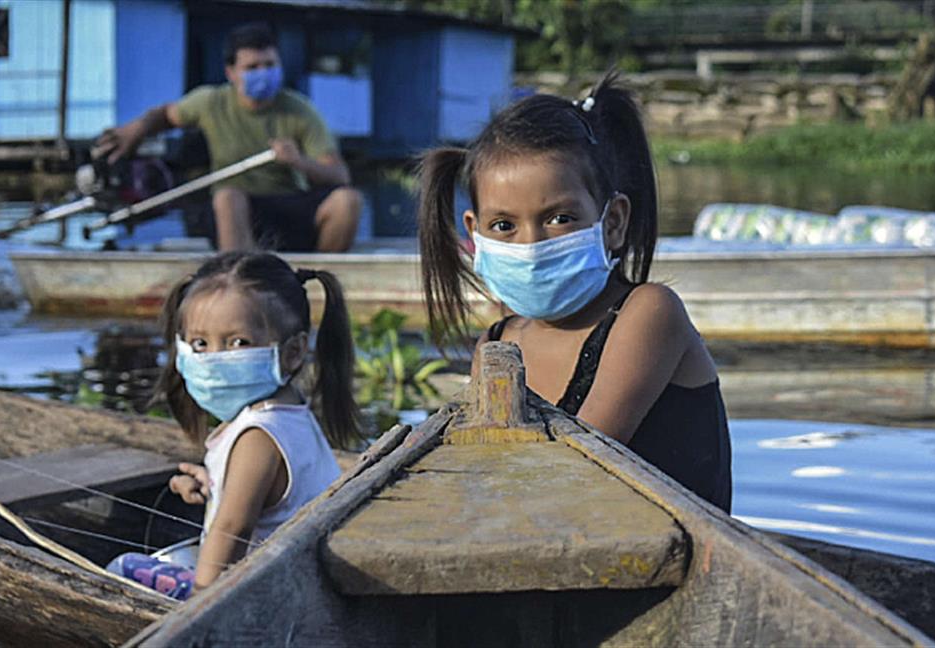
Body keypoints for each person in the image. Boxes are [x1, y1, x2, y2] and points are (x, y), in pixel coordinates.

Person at [417, 70, 732, 512]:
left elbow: (577, 470)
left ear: (613, 223)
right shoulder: (498, 342)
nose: (531, 245)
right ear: (475, 234)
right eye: (504, 226)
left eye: (560, 218)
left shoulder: (648, 314)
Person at [106, 251, 360, 599]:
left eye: (238, 342)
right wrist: (217, 487)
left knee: (123, 567)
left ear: (293, 352)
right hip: (295, 581)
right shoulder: (288, 412)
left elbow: (231, 528)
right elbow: (271, 499)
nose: (214, 359)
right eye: (200, 344)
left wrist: (200, 604)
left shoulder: (257, 436)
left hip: (262, 599)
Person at [96, 22, 361, 252]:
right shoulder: (211, 101)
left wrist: (298, 161)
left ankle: (324, 276)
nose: (263, 73)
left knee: (347, 202)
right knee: (227, 197)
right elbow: (166, 115)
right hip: (233, 212)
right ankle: (240, 276)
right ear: (231, 73)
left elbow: (339, 175)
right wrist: (135, 130)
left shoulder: (301, 110)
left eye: (270, 65)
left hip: (287, 205)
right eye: (253, 67)